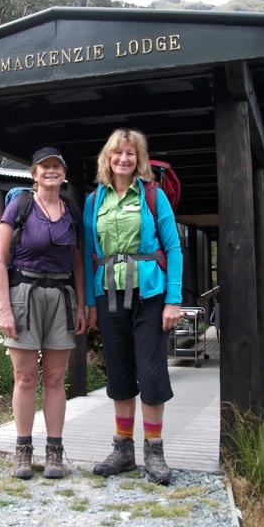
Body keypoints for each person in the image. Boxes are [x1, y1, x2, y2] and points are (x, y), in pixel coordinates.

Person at [83, 128, 183, 485]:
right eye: (117, 153)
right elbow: (89, 254)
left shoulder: (154, 197)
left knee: (152, 372)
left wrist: (173, 300)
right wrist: (89, 303)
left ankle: (154, 450)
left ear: (139, 160)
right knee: (120, 371)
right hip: (108, 292)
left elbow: (172, 249)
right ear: (107, 159)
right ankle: (122, 449)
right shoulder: (94, 200)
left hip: (150, 295)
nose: (123, 159)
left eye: (130, 153)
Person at [0, 147, 86, 480]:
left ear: (63, 173)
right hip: (24, 295)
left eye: (57, 167)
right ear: (34, 173)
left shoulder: (71, 212)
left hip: (61, 297)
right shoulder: (19, 207)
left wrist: (81, 304)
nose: (51, 171)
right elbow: (0, 261)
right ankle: (22, 451)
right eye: (44, 167)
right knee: (25, 378)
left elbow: (77, 263)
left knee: (55, 379)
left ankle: (55, 453)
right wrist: (5, 310)